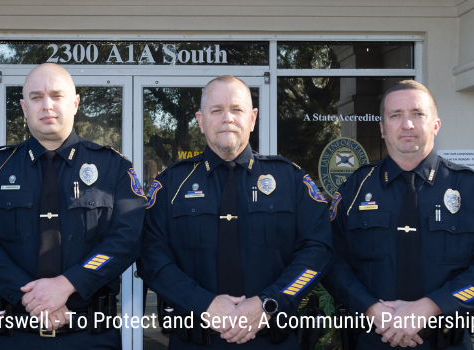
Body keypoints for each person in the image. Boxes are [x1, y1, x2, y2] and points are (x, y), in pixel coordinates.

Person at [0, 63, 145, 349]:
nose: (47, 105)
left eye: (57, 96)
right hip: (14, 336)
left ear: (75, 103)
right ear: (24, 107)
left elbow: (126, 239)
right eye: (36, 97)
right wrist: (32, 297)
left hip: (91, 336)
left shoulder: (113, 167)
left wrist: (69, 283)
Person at [139, 75, 333, 349]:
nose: (227, 118)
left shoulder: (290, 180)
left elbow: (318, 251)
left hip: (273, 341)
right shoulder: (172, 184)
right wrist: (203, 304)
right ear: (200, 120)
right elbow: (150, 257)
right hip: (196, 341)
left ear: (252, 118)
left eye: (237, 109)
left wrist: (269, 302)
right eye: (216, 110)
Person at [321, 80, 474, 349]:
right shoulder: (355, 188)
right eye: (395, 115)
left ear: (436, 125)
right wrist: (371, 308)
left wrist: (431, 306)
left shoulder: (472, 189)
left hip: (446, 342)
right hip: (373, 338)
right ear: (382, 128)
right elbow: (330, 259)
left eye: (417, 114)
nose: (407, 124)